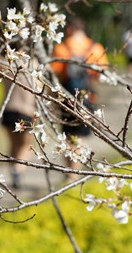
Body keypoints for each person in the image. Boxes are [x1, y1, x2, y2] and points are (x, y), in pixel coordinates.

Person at [51, 17, 108, 178]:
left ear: (69, 29)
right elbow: (100, 75)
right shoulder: (96, 48)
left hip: (67, 98)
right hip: (88, 97)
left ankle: (70, 171)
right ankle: (75, 172)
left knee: (68, 135)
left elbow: (55, 73)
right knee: (82, 136)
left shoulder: (61, 48)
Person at [1, 42, 36, 189]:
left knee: (14, 144)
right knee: (26, 145)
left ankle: (13, 171)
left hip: (8, 109)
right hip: (25, 111)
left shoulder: (4, 63)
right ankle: (18, 170)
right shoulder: (33, 64)